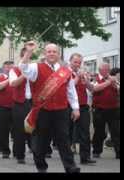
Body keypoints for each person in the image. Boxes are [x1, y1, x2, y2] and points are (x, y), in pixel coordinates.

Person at [19, 41, 80, 173]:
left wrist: (75, 108)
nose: (52, 54)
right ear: (44, 54)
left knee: (64, 139)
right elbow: (23, 67)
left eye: (54, 51)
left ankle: (71, 167)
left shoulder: (65, 70)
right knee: (41, 141)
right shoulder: (36, 67)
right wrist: (28, 52)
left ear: (58, 54)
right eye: (49, 51)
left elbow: (71, 90)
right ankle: (41, 167)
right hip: (43, 111)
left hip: (61, 110)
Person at [68, 53, 96, 165]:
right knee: (67, 132)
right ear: (70, 61)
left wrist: (86, 81)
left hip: (83, 105)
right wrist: (78, 77)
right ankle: (67, 156)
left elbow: (92, 89)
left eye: (79, 62)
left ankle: (85, 157)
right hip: (69, 106)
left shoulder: (81, 73)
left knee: (85, 132)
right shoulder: (66, 72)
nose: (77, 64)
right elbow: (68, 87)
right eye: (75, 62)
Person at [9, 48, 33, 164]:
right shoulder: (14, 70)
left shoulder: (34, 68)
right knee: (20, 130)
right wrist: (24, 74)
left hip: (33, 102)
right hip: (20, 103)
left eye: (29, 56)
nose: (27, 58)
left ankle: (37, 152)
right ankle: (20, 155)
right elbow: (13, 83)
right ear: (21, 57)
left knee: (34, 128)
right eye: (25, 56)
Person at [91, 63, 120, 159]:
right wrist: (108, 82)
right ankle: (96, 151)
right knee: (99, 131)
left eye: (108, 69)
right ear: (100, 70)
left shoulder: (113, 79)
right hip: (99, 109)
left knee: (116, 131)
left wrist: (114, 84)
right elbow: (94, 89)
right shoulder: (96, 79)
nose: (107, 71)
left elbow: (118, 89)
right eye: (105, 69)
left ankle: (118, 152)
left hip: (113, 109)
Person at [0, 61, 15, 159]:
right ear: (4, 68)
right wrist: (8, 80)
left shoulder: (17, 78)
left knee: (17, 131)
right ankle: (5, 151)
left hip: (15, 107)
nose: (9, 68)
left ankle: (17, 151)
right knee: (3, 131)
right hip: (2, 108)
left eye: (11, 67)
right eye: (7, 67)